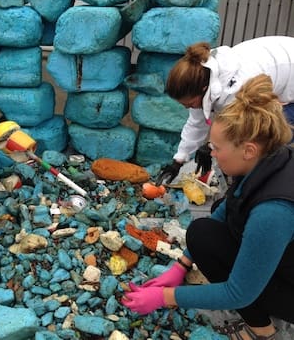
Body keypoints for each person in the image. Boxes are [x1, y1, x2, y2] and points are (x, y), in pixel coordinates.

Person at [122, 74, 294, 339]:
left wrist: (165, 296)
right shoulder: (268, 159)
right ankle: (263, 325)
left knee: (241, 283)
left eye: (216, 148)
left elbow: (237, 292)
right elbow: (226, 211)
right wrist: (181, 265)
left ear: (248, 150)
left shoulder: (273, 211)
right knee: (203, 232)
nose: (211, 154)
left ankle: (264, 333)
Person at [157, 36, 294, 185]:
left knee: (266, 143)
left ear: (203, 90)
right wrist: (178, 160)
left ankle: (261, 191)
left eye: (190, 104)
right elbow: (196, 124)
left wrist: (210, 146)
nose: (187, 108)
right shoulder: (204, 79)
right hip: (278, 65)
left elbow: (241, 132)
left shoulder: (236, 88)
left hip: (288, 69)